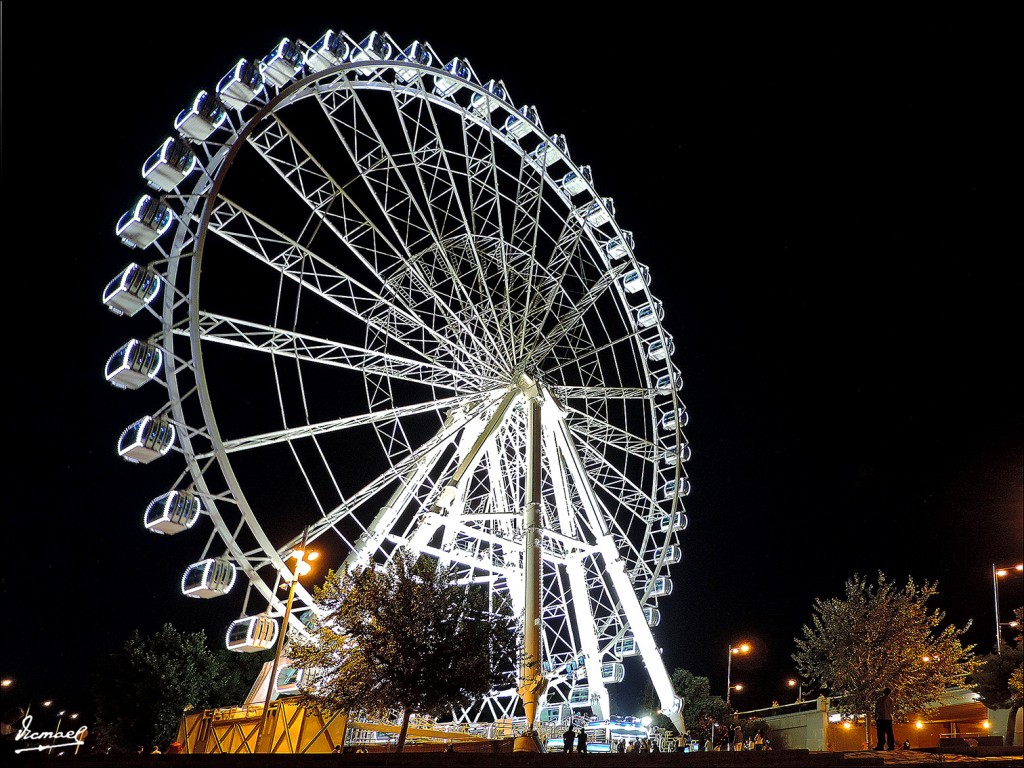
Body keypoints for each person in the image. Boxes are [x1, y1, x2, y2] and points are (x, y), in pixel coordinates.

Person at [874, 687, 895, 751]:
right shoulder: (891, 700)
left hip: (881, 718)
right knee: (889, 733)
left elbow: (877, 708)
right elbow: (892, 709)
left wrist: (876, 716)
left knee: (881, 733)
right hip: (888, 718)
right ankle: (891, 745)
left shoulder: (880, 699)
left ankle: (881, 745)